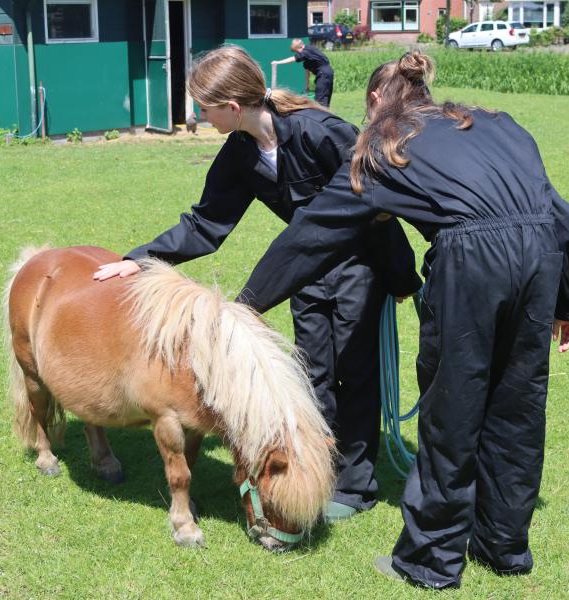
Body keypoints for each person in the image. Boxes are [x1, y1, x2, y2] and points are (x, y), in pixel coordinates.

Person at [236, 51, 569, 589]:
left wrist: (247, 303)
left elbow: (315, 233)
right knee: (518, 409)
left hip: (471, 261)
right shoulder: (498, 123)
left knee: (453, 409)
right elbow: (562, 214)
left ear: (377, 101)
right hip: (540, 257)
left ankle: (431, 560)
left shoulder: (384, 144)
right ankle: (504, 546)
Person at [93, 45, 422, 521]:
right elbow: (205, 224)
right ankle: (317, 470)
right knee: (313, 376)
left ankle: (357, 486)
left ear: (231, 107)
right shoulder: (239, 155)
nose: (197, 115)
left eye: (202, 108)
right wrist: (139, 259)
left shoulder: (321, 131)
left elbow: (380, 203)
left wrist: (401, 277)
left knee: (357, 374)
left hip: (359, 268)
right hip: (301, 273)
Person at [272, 39, 335, 107]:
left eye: (297, 51)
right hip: (328, 73)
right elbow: (307, 72)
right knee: (325, 97)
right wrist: (307, 86)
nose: (297, 53)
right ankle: (325, 113)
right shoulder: (308, 57)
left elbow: (294, 58)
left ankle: (322, 115)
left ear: (301, 46)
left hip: (323, 74)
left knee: (320, 100)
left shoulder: (307, 51)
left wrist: (278, 62)